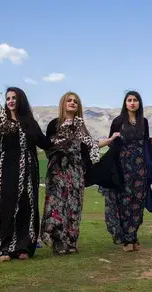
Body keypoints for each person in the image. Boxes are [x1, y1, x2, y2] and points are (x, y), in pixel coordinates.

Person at [0, 87, 53, 262]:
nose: (10, 101)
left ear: (20, 100)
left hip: (28, 171)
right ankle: (4, 248)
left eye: (14, 98)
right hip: (5, 170)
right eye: (8, 98)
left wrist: (62, 134)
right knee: (5, 206)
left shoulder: (30, 123)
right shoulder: (1, 121)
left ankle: (23, 247)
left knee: (27, 206)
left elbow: (45, 143)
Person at [40, 92, 120, 255]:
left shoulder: (81, 127)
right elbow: (47, 146)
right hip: (58, 172)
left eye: (75, 101)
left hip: (76, 172)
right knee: (57, 207)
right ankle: (58, 243)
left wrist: (110, 140)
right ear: (63, 104)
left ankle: (71, 242)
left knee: (74, 207)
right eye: (69, 100)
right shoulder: (54, 125)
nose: (72, 103)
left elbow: (91, 146)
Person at [101, 90, 152, 252]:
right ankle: (127, 239)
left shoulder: (144, 122)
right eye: (129, 100)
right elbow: (111, 142)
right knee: (125, 201)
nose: (132, 103)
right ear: (125, 103)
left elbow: (145, 144)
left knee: (138, 201)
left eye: (135, 100)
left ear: (139, 103)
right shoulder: (118, 121)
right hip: (123, 166)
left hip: (141, 167)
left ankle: (133, 236)